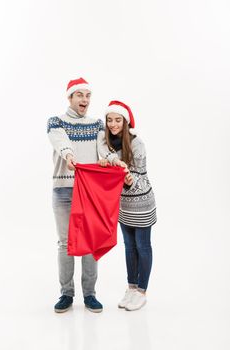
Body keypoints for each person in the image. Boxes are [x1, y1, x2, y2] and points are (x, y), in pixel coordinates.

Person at [47, 77, 104, 313]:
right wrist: (70, 156)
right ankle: (66, 294)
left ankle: (90, 295)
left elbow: (103, 150)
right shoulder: (56, 121)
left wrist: (112, 160)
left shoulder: (97, 124)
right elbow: (61, 143)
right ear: (70, 98)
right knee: (65, 244)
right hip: (63, 190)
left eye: (87, 95)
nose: (85, 100)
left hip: (89, 191)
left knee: (90, 244)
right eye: (79, 95)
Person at [98, 100, 157, 311]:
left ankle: (141, 292)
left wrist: (129, 180)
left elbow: (141, 176)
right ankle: (131, 288)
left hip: (141, 203)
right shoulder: (106, 143)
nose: (113, 124)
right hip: (123, 205)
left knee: (142, 246)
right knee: (129, 248)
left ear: (126, 121)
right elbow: (104, 157)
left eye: (118, 120)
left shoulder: (136, 143)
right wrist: (108, 162)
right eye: (109, 119)